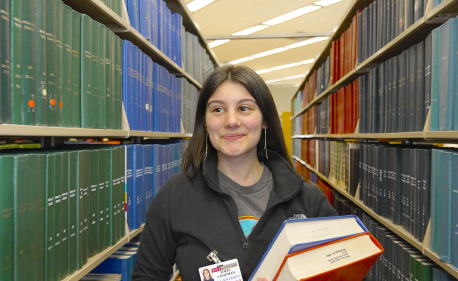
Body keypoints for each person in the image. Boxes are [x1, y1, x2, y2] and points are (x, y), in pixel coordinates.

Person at [131, 65, 338, 281]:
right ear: (204, 121)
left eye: (244, 108)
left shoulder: (308, 200)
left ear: (265, 120)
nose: (231, 121)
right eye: (218, 109)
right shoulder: (175, 196)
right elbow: (146, 277)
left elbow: (349, 271)